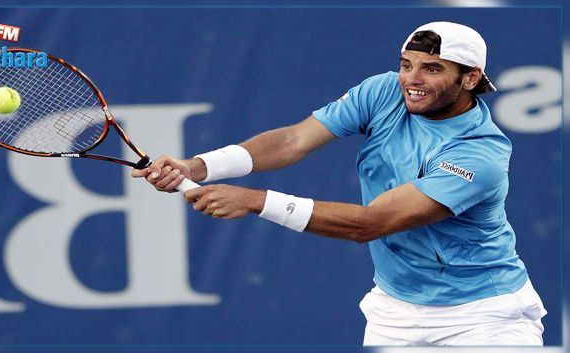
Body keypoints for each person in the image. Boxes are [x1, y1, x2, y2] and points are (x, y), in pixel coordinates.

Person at [131, 21, 547, 346]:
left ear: (470, 79)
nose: (411, 79)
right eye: (407, 64)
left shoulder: (478, 154)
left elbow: (369, 224)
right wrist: (199, 166)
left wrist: (256, 201)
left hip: (485, 318)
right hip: (395, 313)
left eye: (431, 69)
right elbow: (294, 140)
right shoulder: (384, 91)